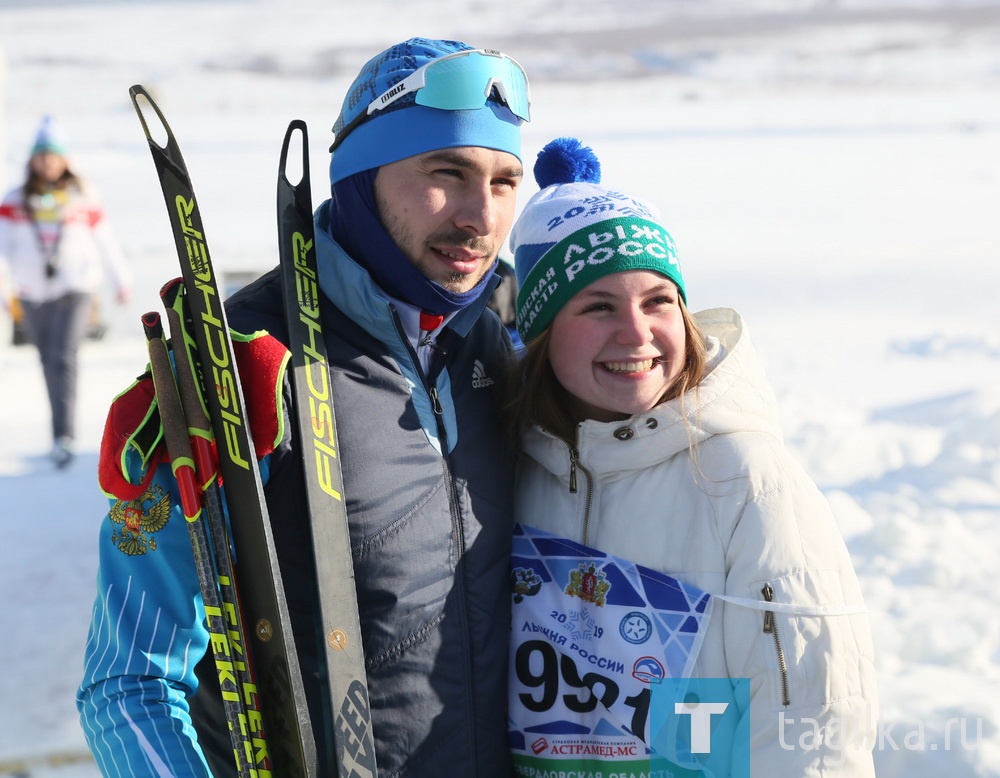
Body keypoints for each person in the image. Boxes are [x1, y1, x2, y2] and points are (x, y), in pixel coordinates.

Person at [77, 38, 529, 776]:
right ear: (360, 176)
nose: (481, 215)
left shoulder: (504, 341)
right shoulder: (241, 367)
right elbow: (129, 683)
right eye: (446, 174)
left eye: (506, 181)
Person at [504, 139, 877, 775]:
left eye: (658, 301)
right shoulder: (509, 468)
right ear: (540, 335)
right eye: (598, 307)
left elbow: (815, 728)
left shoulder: (747, 481)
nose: (636, 331)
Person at [0, 116, 131, 468]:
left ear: (65, 160)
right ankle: (58, 434)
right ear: (32, 160)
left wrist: (122, 280)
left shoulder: (82, 196)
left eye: (53, 155)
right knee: (48, 361)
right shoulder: (14, 200)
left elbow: (105, 239)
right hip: (32, 292)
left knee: (63, 356)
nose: (47, 162)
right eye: (41, 155)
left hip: (76, 288)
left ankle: (66, 437)